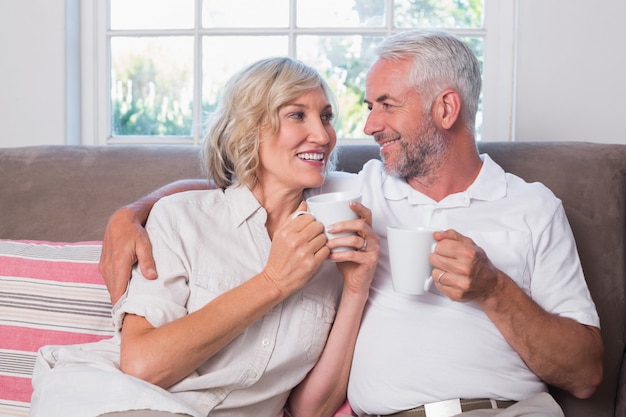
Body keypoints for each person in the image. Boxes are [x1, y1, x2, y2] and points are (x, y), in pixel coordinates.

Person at [98, 30, 604, 417]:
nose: (368, 126)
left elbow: (585, 375)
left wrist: (493, 289)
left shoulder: (534, 207)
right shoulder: (353, 192)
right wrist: (132, 212)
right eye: (366, 107)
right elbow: (243, 186)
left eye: (387, 105)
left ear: (446, 108)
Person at [29, 57, 380, 417]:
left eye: (325, 117)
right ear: (249, 128)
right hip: (117, 399)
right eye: (296, 115)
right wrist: (274, 281)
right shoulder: (181, 218)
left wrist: (356, 289)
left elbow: (311, 411)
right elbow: (143, 366)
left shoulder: (335, 241)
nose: (323, 136)